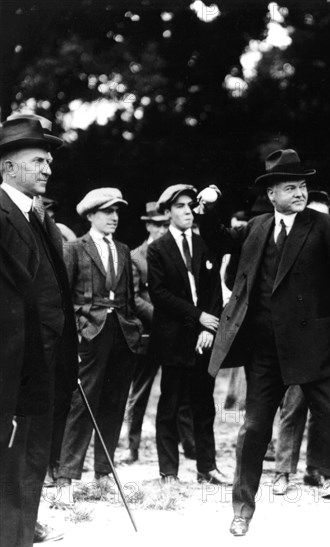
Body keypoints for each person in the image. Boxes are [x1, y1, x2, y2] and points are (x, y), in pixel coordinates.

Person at [196, 149, 330, 538]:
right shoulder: (256, 227)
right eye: (290, 186)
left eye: (303, 185)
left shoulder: (324, 227)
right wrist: (206, 208)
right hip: (265, 351)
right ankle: (242, 510)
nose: (300, 192)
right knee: (253, 428)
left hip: (319, 351)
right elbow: (219, 240)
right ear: (272, 194)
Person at [0, 117, 78, 547]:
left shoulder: (39, 216)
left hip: (44, 369)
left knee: (31, 468)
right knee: (9, 472)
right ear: (7, 168)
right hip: (11, 371)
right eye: (37, 160)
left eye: (49, 161)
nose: (47, 168)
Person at [56, 188, 142, 487]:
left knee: (114, 401)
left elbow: (128, 299)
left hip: (122, 333)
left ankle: (104, 472)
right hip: (90, 334)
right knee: (83, 403)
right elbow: (63, 300)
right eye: (108, 212)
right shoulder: (74, 249)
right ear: (91, 215)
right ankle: (67, 474)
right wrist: (75, 337)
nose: (114, 218)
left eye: (117, 212)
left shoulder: (122, 249)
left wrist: (132, 327)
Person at [147, 184, 226, 485]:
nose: (187, 211)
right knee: (170, 406)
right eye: (179, 206)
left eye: (190, 205)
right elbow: (160, 294)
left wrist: (209, 325)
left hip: (204, 339)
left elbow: (214, 289)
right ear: (167, 212)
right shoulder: (158, 249)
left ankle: (208, 468)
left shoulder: (203, 243)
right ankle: (169, 471)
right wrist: (198, 317)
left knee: (204, 406)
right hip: (174, 341)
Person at [122, 202, 198, 464]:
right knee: (140, 392)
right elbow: (134, 298)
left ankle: (189, 446)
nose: (160, 229)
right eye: (156, 224)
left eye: (165, 224)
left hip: (176, 334)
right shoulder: (135, 256)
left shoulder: (177, 253)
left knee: (182, 392)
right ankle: (131, 448)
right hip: (150, 334)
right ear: (147, 225)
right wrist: (165, 319)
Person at [271, 189, 330, 497]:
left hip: (327, 343)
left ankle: (319, 469)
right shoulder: (289, 247)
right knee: (293, 407)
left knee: (326, 410)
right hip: (295, 341)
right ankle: (283, 471)